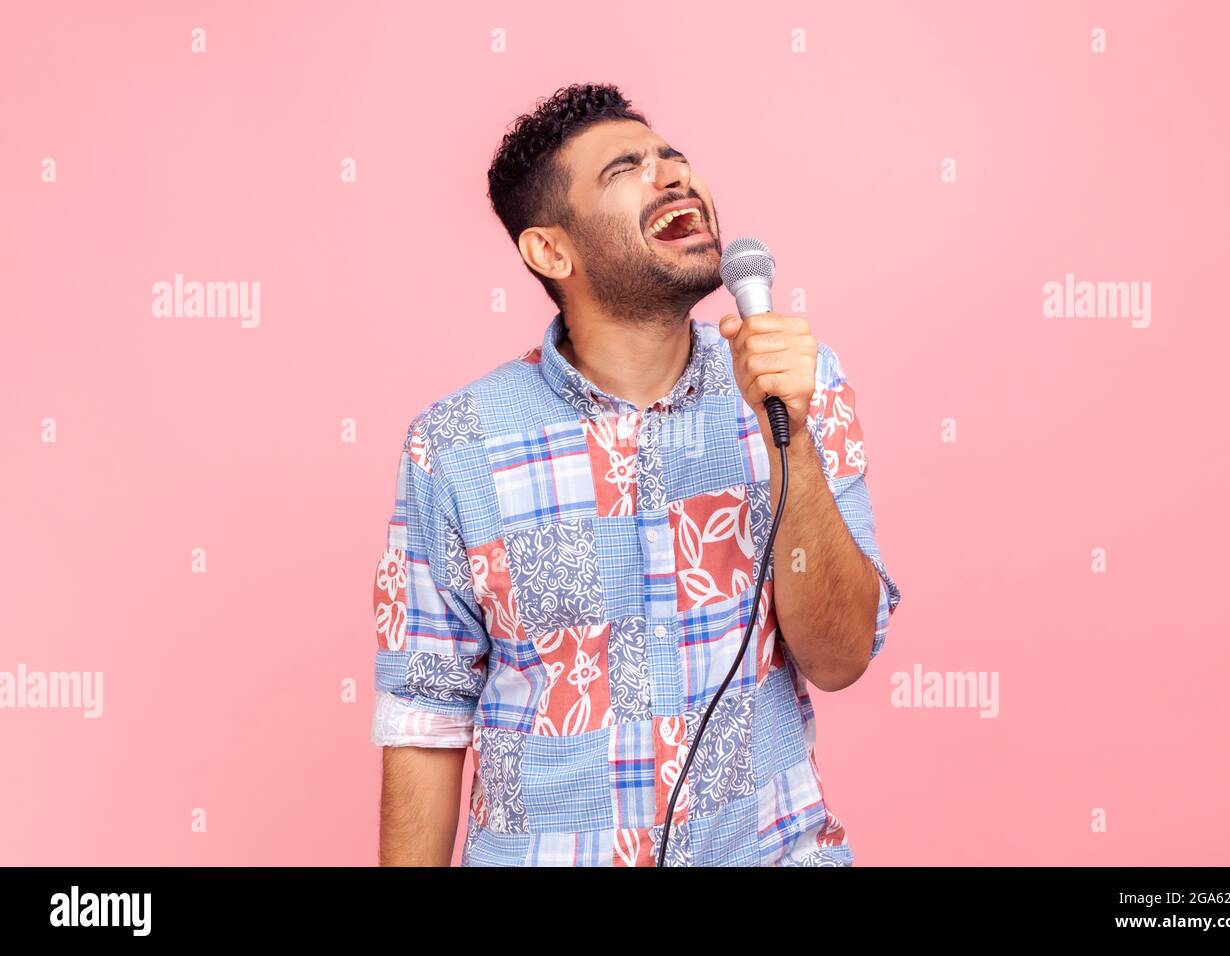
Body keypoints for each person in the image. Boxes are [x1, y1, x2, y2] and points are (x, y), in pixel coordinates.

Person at [370, 83, 901, 866]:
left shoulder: (801, 382)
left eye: (674, 158)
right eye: (626, 169)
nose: (673, 176)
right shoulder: (454, 445)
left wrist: (789, 435)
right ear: (551, 250)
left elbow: (840, 655)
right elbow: (426, 717)